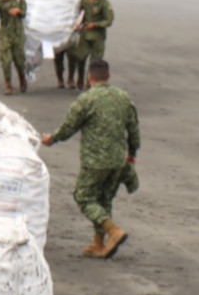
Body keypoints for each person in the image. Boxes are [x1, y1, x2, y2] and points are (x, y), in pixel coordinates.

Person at [40, 60, 140, 259]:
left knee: (84, 196)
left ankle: (113, 231)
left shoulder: (87, 99)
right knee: (104, 199)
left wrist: (52, 138)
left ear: (89, 77)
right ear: (109, 76)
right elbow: (134, 129)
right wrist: (132, 154)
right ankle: (98, 243)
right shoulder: (123, 97)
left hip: (95, 161)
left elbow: (70, 126)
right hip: (118, 160)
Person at [70, 0, 114, 89]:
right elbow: (76, 13)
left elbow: (109, 21)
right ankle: (79, 77)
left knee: (95, 61)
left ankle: (89, 82)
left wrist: (96, 24)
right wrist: (76, 24)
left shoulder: (104, 4)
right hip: (84, 35)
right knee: (80, 58)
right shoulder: (84, 0)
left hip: (97, 37)